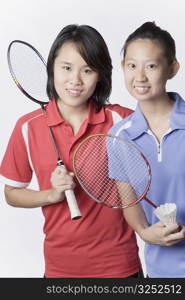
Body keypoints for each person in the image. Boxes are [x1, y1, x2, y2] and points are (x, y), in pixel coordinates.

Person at [0, 24, 143, 278]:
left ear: (100, 75)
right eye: (66, 68)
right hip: (59, 272)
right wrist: (51, 195)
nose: (75, 81)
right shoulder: (27, 127)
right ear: (52, 68)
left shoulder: (121, 121)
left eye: (87, 70)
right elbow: (11, 193)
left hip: (119, 269)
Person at [108, 21, 185, 278]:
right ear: (123, 68)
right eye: (132, 66)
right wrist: (143, 231)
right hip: (160, 273)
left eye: (151, 66)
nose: (139, 77)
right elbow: (130, 203)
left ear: (172, 68)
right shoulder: (118, 136)